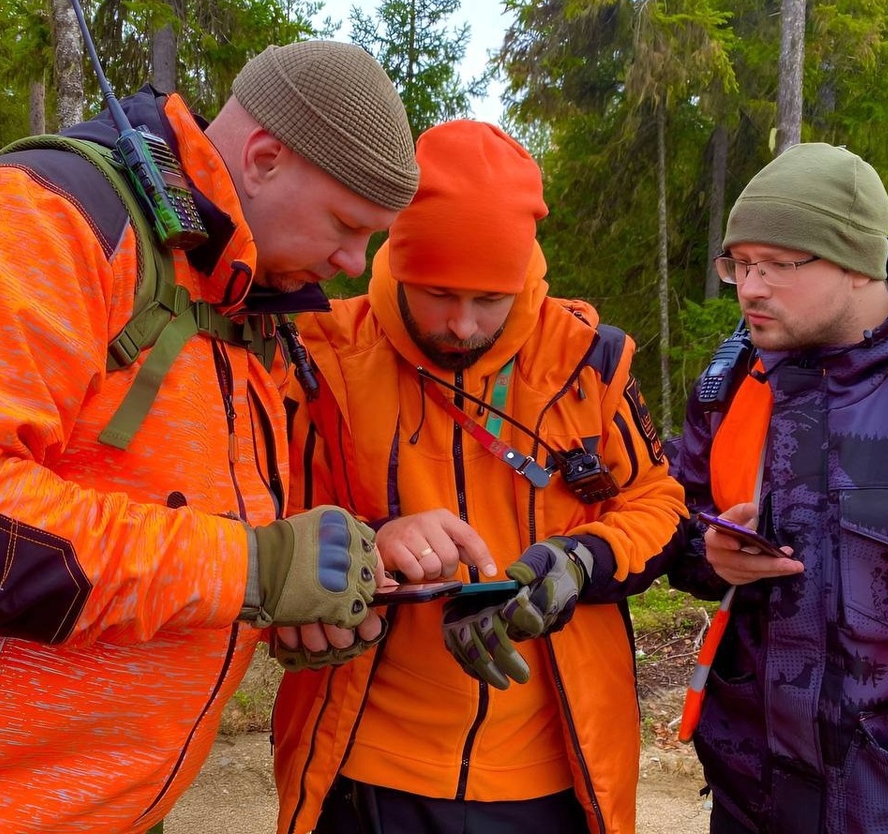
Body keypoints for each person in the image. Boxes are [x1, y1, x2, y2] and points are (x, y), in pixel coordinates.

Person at [0, 41, 418, 833]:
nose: (352, 263)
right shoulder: (35, 215)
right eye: (348, 225)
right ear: (265, 159)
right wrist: (252, 571)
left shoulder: (241, 306)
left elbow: (171, 527)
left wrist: (298, 592)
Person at [272, 119, 688, 833]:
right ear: (396, 260)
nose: (461, 326)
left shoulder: (587, 362)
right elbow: (257, 521)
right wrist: (373, 541)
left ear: (524, 272)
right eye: (436, 293)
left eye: (488, 300)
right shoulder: (320, 357)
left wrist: (581, 560)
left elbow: (658, 502)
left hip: (555, 774)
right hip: (367, 765)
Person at [666, 142, 888, 834]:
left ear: (859, 265)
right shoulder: (738, 377)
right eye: (738, 263)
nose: (749, 288)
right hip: (751, 797)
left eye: (775, 265)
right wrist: (708, 552)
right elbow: (672, 521)